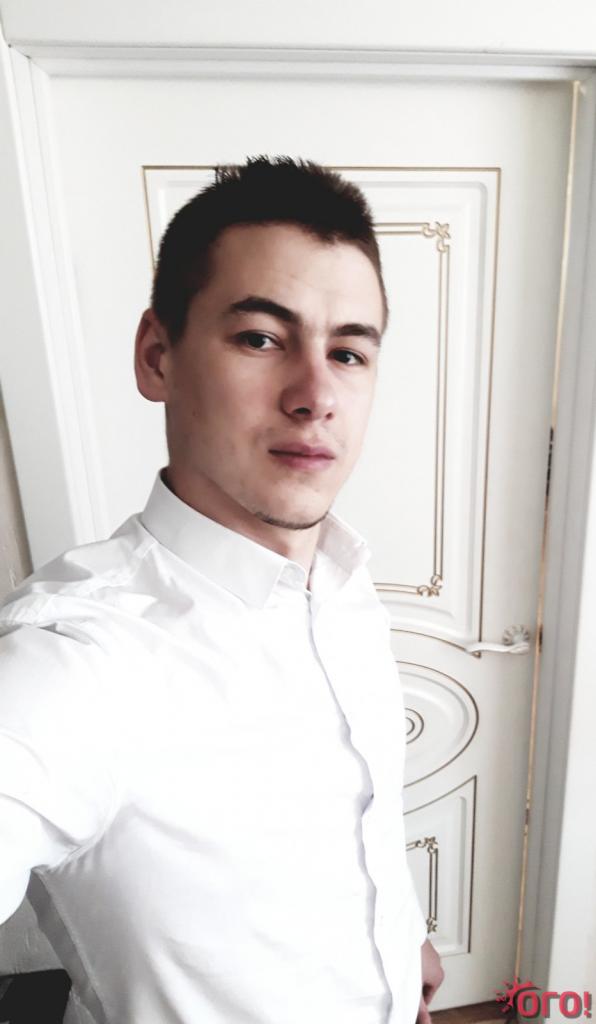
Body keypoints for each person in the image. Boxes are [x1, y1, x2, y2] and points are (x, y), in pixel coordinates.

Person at [0, 155, 444, 1024]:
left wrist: (402, 950)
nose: (316, 395)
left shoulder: (344, 581)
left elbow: (361, 823)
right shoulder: (80, 657)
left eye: (348, 352)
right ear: (157, 356)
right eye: (261, 338)